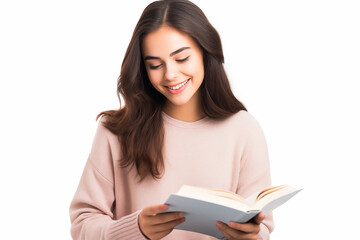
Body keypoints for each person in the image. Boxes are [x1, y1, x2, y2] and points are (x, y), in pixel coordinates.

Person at [69, 0, 274, 239]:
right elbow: (82, 225)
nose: (170, 74)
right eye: (155, 65)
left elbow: (262, 228)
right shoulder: (116, 131)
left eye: (182, 58)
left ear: (205, 52)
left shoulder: (244, 129)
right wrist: (136, 229)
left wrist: (249, 236)